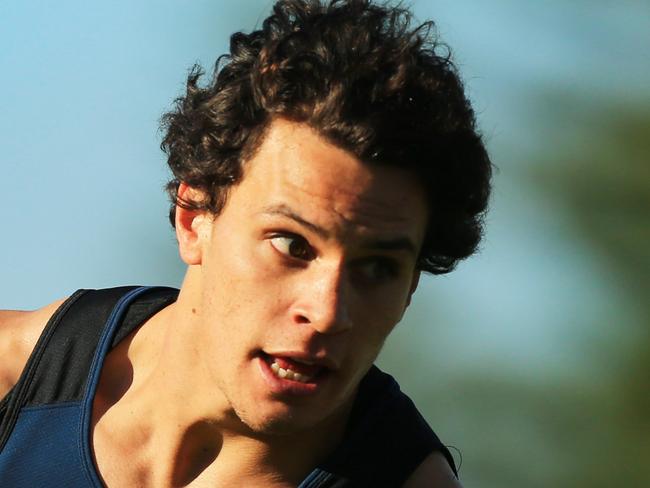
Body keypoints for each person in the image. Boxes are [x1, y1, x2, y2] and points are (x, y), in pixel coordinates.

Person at [0, 0, 491, 486]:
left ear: (409, 289)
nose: (327, 312)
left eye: (378, 267)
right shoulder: (12, 378)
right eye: (292, 245)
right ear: (194, 219)